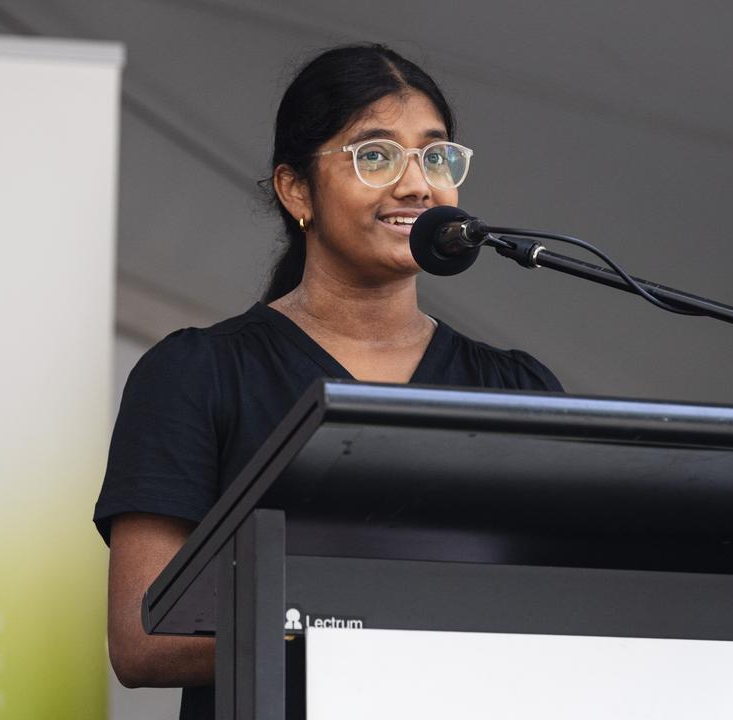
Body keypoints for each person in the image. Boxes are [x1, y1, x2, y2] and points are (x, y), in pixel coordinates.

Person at [94, 44, 563, 719]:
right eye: (375, 156)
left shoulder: (513, 388)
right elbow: (144, 640)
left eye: (436, 157)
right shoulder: (197, 373)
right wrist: (360, 624)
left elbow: (560, 605)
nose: (416, 185)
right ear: (296, 190)